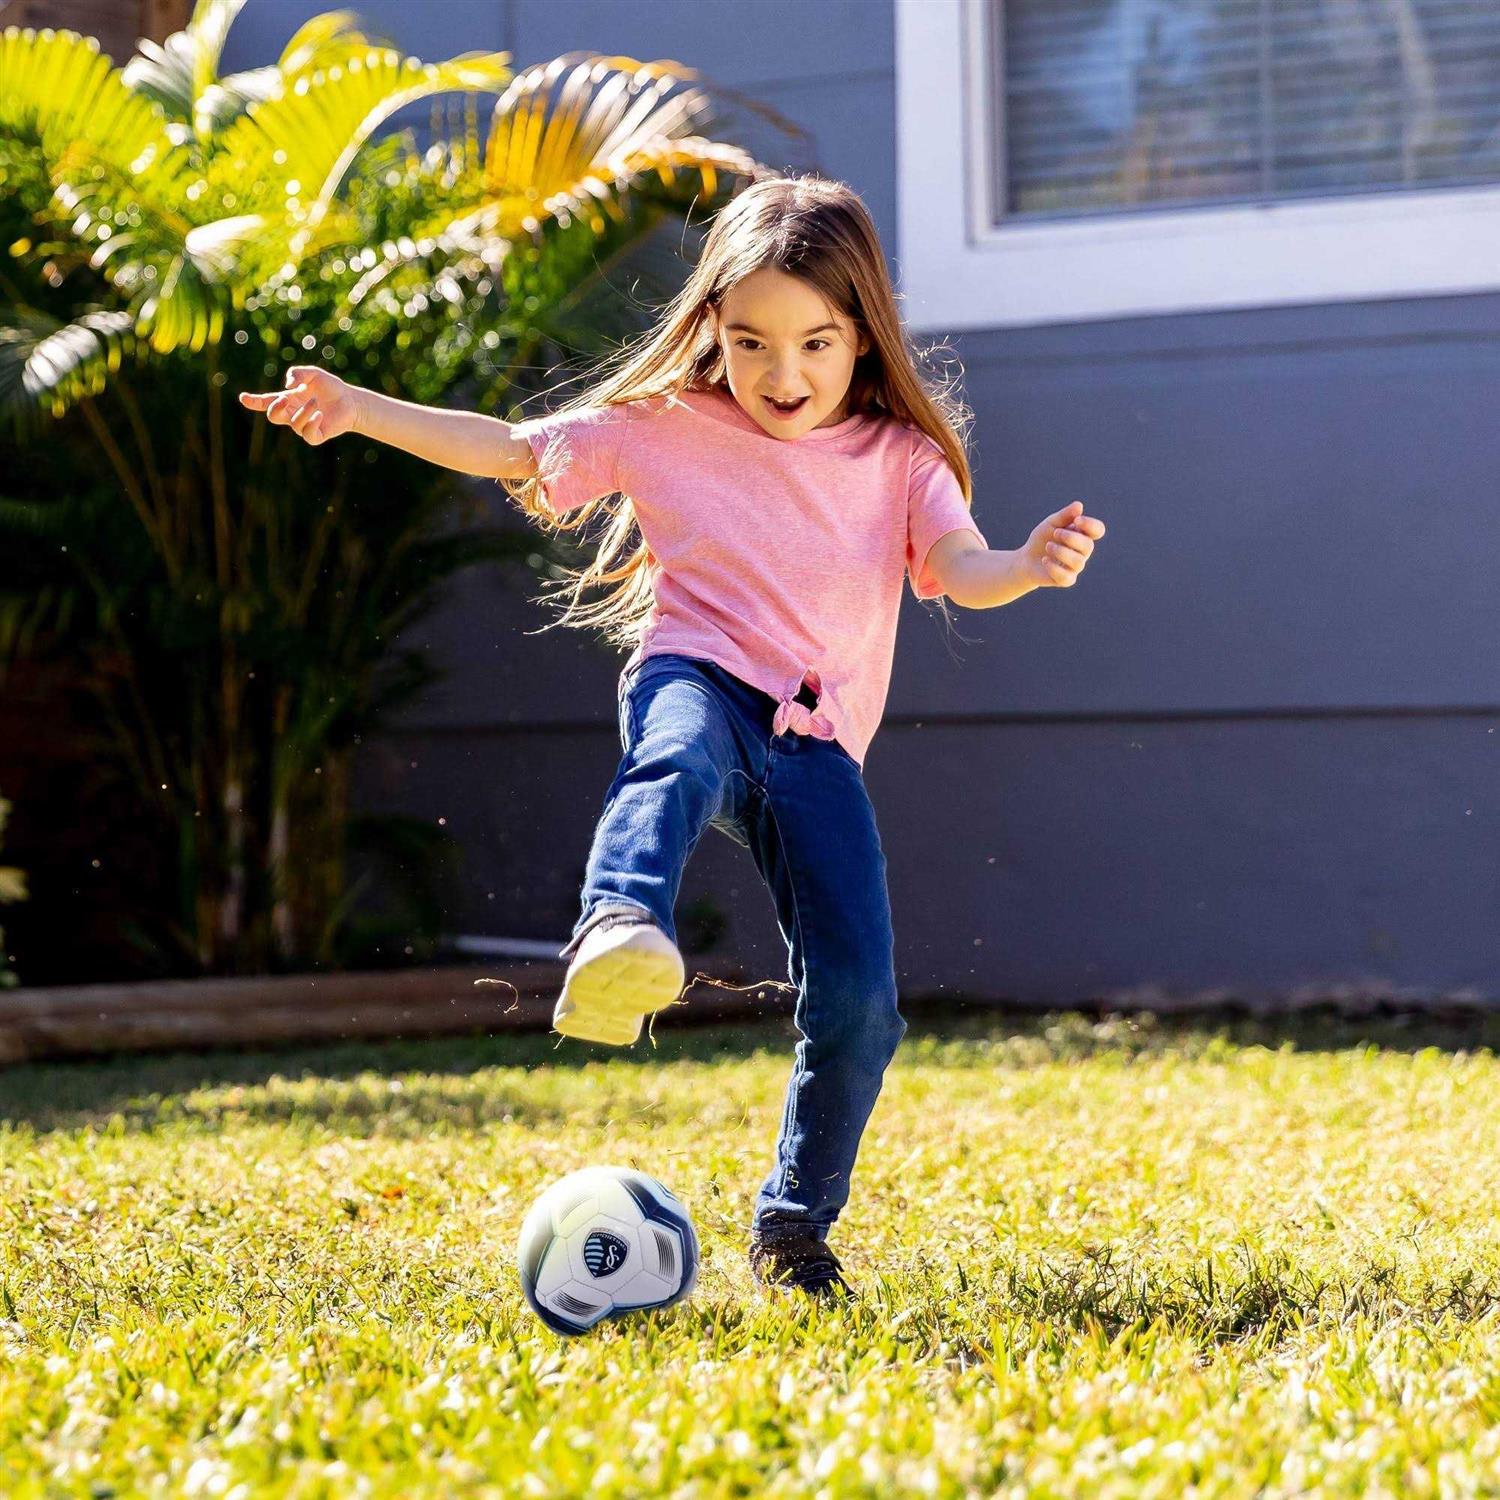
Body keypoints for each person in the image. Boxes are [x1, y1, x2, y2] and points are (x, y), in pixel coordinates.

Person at [240, 173, 1106, 1299]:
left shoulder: (900, 461)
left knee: (859, 1002)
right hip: (696, 673)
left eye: (814, 344)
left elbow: (956, 567)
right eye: (749, 343)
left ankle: (794, 1227)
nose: (780, 376)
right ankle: (618, 924)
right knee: (674, 757)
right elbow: (509, 447)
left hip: (818, 744)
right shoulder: (664, 427)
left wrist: (1026, 569)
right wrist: (362, 410)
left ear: (863, 336)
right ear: (712, 329)